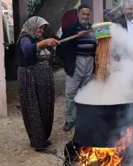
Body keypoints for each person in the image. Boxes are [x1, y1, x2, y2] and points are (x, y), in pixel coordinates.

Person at [16, 16, 59, 153]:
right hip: (30, 79)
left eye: (42, 28)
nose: (41, 30)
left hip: (41, 80)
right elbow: (28, 50)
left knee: (44, 108)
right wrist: (45, 42)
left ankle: (43, 137)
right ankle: (38, 142)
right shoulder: (25, 38)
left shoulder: (36, 39)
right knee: (33, 109)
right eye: (39, 27)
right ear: (32, 26)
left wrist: (47, 44)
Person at [56, 4, 97, 132]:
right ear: (78, 14)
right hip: (75, 64)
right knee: (70, 94)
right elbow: (60, 46)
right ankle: (69, 120)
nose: (85, 16)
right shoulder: (71, 29)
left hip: (89, 63)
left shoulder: (93, 29)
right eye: (83, 14)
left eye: (87, 14)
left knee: (86, 93)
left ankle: (84, 119)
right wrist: (67, 63)